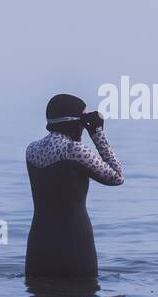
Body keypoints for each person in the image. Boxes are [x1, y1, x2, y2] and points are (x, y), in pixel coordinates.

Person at [25, 94, 124, 278]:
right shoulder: (75, 150)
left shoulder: (31, 149)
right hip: (74, 241)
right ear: (75, 121)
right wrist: (97, 134)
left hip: (39, 242)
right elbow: (117, 176)